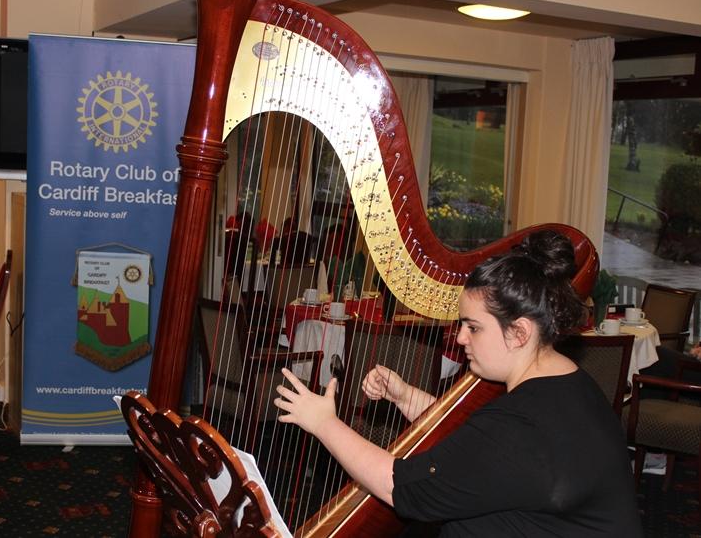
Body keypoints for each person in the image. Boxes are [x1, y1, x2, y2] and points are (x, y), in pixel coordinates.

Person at [274, 230, 642, 536]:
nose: (461, 338)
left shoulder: (520, 427)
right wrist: (408, 397)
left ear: (518, 333)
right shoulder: (567, 383)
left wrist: (324, 423)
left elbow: (402, 487)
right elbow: (479, 451)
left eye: (474, 327)